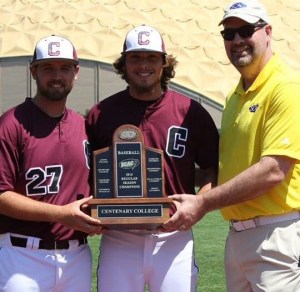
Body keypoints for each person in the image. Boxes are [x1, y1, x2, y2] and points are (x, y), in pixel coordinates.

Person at [162, 1, 300, 291]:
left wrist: (202, 202)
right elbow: (229, 169)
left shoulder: (285, 87)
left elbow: (273, 170)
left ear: (268, 32)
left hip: (277, 233)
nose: (237, 40)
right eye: (229, 34)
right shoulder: (235, 96)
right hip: (238, 235)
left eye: (246, 30)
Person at [86, 24, 219, 292]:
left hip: (173, 234)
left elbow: (210, 169)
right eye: (135, 57)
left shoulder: (190, 111)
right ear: (124, 63)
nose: (143, 65)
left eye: (151, 58)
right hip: (119, 235)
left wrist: (200, 204)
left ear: (164, 63)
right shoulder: (102, 112)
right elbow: (89, 173)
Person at [0, 35, 102, 292]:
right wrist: (62, 215)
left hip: (76, 256)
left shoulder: (84, 125)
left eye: (65, 68)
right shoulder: (11, 124)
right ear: (33, 71)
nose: (57, 75)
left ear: (76, 72)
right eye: (48, 68)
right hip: (22, 256)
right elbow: (1, 196)